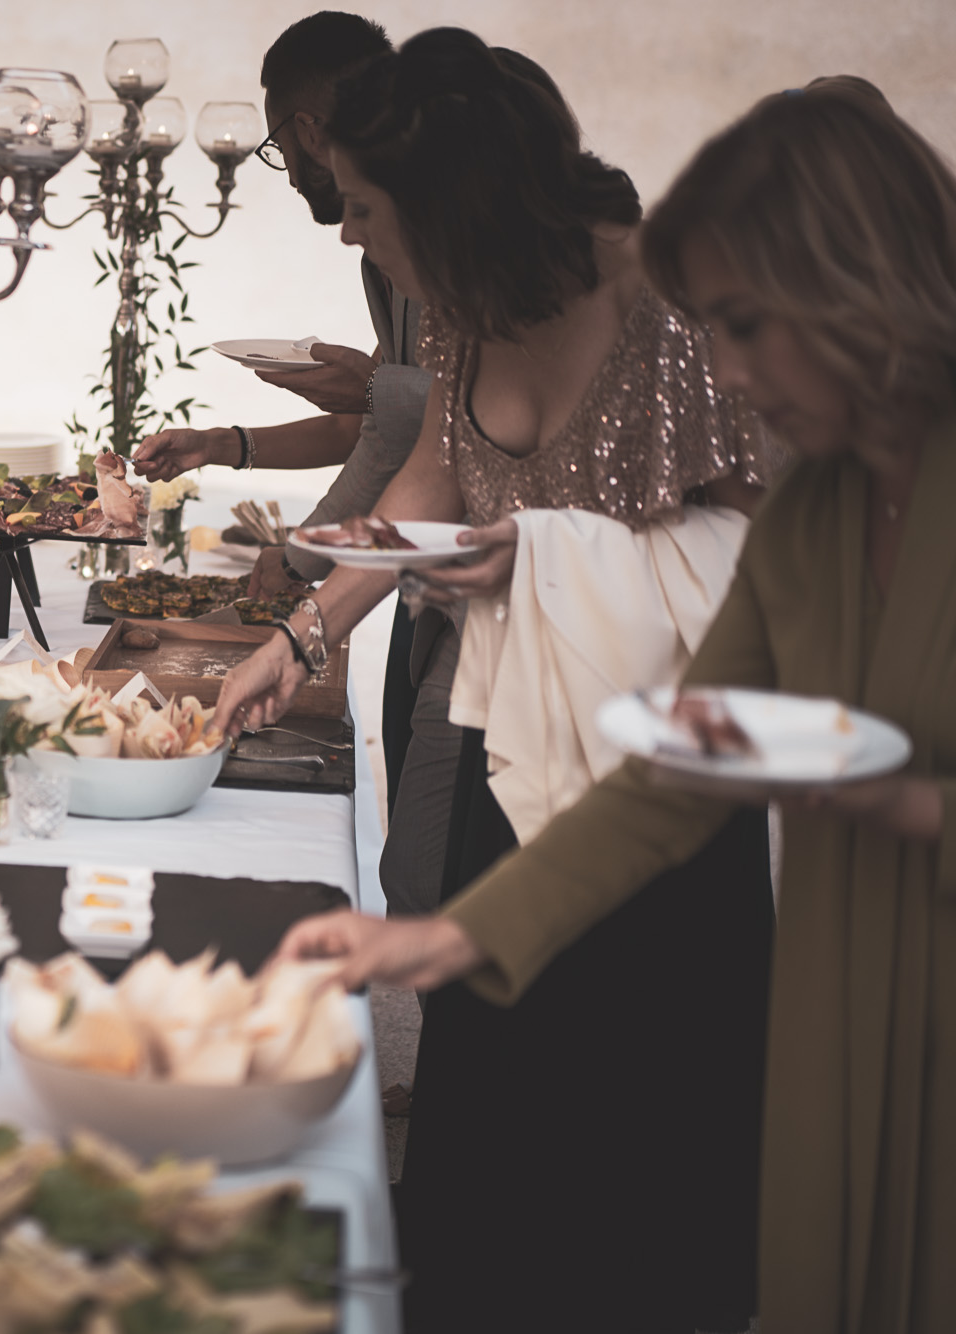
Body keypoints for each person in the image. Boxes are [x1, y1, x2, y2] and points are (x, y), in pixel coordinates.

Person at [282, 84, 956, 1334]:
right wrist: (448, 939)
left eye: (746, 327)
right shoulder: (817, 506)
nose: (730, 377)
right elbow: (673, 761)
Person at [216, 29, 777, 1332]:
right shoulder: (467, 313)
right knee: (489, 1136)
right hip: (504, 752)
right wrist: (301, 639)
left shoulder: (676, 311)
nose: (351, 233)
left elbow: (765, 567)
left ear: (452, 201)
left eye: (362, 204)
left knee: (632, 1166)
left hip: (662, 794)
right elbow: (429, 491)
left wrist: (552, 556)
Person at [133, 11, 455, 918]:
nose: (350, 235)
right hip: (413, 580)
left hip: (464, 595)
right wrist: (228, 447)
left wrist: (307, 575)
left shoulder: (443, 254)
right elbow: (393, 426)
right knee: (423, 861)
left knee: (436, 865)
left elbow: (414, 439)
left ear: (308, 130)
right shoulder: (396, 247)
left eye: (358, 210)